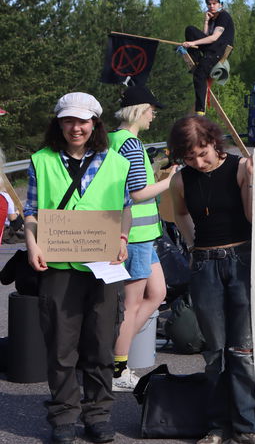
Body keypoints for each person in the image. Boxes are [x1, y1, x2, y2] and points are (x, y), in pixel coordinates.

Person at [23, 92, 131, 444]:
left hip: (103, 265)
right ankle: (64, 415)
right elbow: (33, 211)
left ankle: (98, 413)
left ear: (95, 124)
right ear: (59, 122)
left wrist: (124, 239)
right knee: (61, 344)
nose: (76, 127)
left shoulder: (116, 161)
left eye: (83, 121)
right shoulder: (41, 160)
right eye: (69, 120)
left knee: (101, 343)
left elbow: (125, 208)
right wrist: (32, 245)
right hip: (58, 263)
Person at [168, 116, 255, 444]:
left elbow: (253, 216)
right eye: (190, 156)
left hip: (241, 259)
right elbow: (180, 213)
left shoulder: (239, 168)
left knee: (242, 350)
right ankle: (216, 426)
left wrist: (252, 180)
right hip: (204, 265)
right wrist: (192, 242)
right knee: (214, 352)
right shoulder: (181, 180)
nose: (199, 161)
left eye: (203, 152)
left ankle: (247, 425)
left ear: (214, 141)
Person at [108, 85, 176, 392]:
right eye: (151, 110)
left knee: (158, 293)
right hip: (135, 235)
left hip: (142, 235)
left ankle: (111, 356)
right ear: (138, 111)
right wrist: (171, 181)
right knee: (131, 305)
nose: (153, 115)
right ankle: (117, 367)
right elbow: (137, 193)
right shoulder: (132, 145)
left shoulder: (112, 139)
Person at [183, 0, 235, 115]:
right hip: (211, 47)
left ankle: (200, 110)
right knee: (190, 30)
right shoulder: (212, 18)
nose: (211, 6)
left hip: (219, 49)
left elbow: (213, 38)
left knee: (200, 74)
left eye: (214, 3)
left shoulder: (223, 16)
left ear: (220, 5)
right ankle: (197, 60)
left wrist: (191, 43)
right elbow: (205, 36)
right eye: (209, 4)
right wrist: (206, 21)